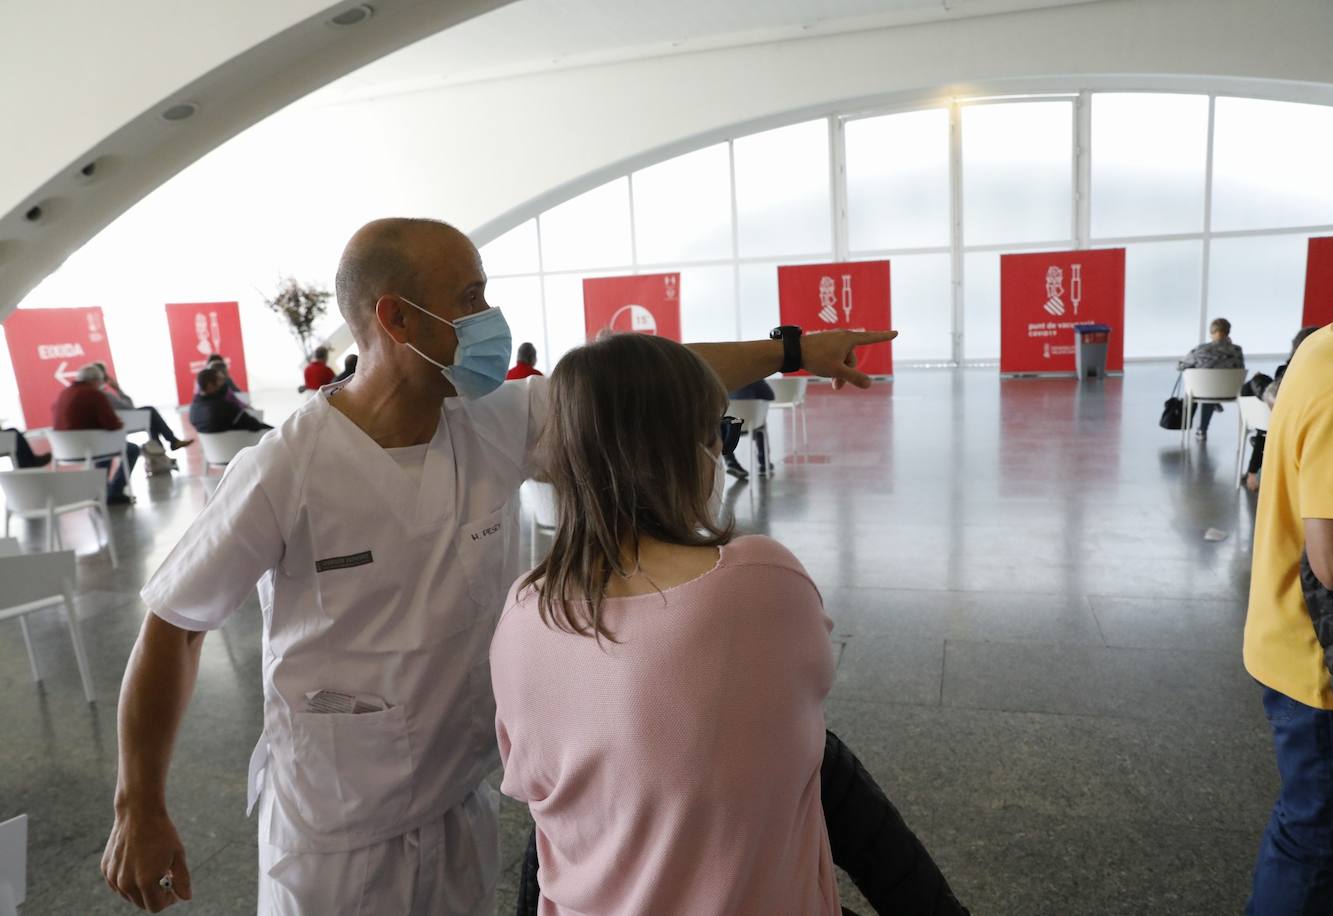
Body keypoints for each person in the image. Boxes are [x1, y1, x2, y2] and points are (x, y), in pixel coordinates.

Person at [99, 216, 893, 915]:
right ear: (396, 316)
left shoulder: (492, 422)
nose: (488, 316)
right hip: (335, 825)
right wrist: (140, 806)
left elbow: (638, 385)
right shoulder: (287, 470)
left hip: (461, 799)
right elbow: (175, 624)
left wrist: (792, 349)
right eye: (470, 296)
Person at [493, 333, 966, 916]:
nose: (722, 450)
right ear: (685, 449)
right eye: (721, 433)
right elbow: (809, 686)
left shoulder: (521, 609)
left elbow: (537, 782)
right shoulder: (759, 578)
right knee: (811, 751)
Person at [1243, 202, 1333, 915]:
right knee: (1322, 837)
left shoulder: (1324, 344)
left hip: (1293, 636)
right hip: (1326, 660)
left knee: (1325, 829)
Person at [1241, 326, 1319, 492]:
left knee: (1255, 385)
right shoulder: (1323, 373)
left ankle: (1252, 472)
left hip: (1281, 423)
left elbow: (1278, 397)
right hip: (1299, 423)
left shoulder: (1289, 370)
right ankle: (1252, 471)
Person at [51, 363, 140, 504]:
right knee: (131, 449)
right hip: (88, 447)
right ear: (95, 380)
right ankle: (115, 491)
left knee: (103, 446)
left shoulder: (64, 393)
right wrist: (119, 423)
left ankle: (101, 489)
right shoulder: (95, 394)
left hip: (63, 450)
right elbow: (113, 425)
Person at [91, 361, 194, 453]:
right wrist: (118, 389)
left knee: (151, 420)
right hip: (122, 422)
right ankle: (170, 444)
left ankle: (163, 452)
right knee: (150, 411)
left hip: (117, 422)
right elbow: (130, 407)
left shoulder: (96, 394)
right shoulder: (105, 395)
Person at [1178, 317, 1245, 439]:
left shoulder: (1200, 349)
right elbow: (1240, 367)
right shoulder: (1237, 350)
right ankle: (1215, 402)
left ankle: (1202, 430)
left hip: (1203, 391)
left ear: (1211, 332)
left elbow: (1181, 365)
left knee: (1204, 385)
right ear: (1228, 332)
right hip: (1230, 391)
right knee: (1213, 385)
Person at [188, 368, 273, 434]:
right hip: (239, 445)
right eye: (220, 380)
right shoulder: (224, 406)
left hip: (216, 451)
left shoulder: (194, 408)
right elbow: (253, 424)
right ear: (210, 385)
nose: (224, 383)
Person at [723, 378, 774, 479]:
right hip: (750, 425)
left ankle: (730, 462)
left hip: (729, 428)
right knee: (761, 423)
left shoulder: (724, 381)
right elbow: (770, 396)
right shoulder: (754, 378)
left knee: (720, 427)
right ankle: (763, 462)